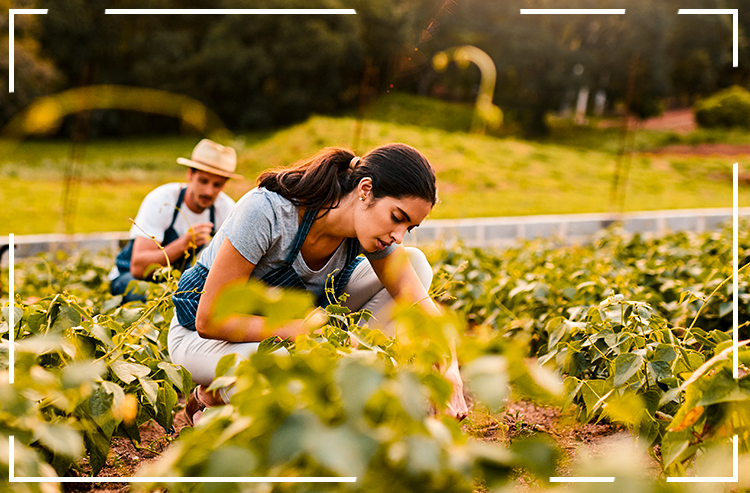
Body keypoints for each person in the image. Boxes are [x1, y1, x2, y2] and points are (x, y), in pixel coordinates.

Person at [168, 143, 469, 424]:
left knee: (414, 264)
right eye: (396, 217)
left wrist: (451, 369)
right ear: (365, 190)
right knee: (286, 368)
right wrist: (307, 333)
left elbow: (421, 305)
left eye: (409, 227)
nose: (398, 235)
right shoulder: (268, 211)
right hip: (202, 337)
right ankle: (209, 400)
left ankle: (345, 382)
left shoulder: (373, 233)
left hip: (286, 334)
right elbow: (209, 320)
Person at [109, 139, 242, 302]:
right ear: (190, 174)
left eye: (217, 185)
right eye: (203, 181)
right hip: (130, 276)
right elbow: (138, 267)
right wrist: (184, 243)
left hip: (174, 283)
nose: (209, 191)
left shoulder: (226, 209)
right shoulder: (162, 201)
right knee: (142, 296)